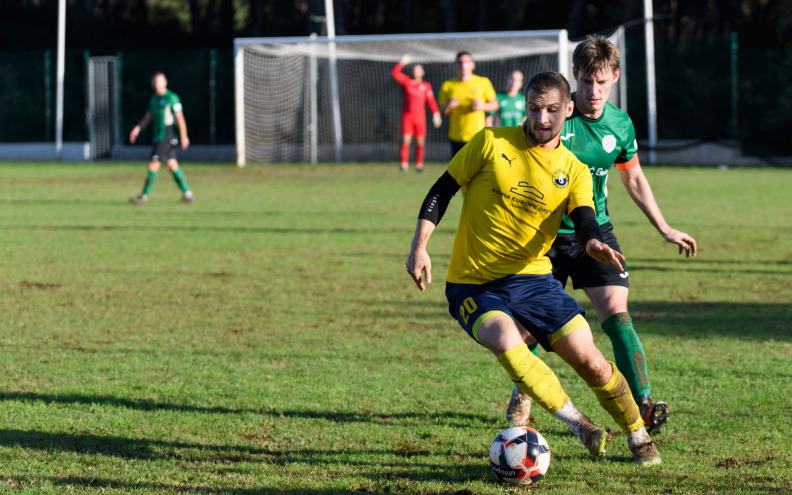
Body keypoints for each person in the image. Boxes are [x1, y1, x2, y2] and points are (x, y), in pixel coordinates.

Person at [406, 71, 661, 466]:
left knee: (592, 362)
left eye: (552, 111)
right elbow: (442, 189)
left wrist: (593, 241)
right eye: (534, 109)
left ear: (568, 110)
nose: (542, 119)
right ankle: (580, 425)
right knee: (508, 343)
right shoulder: (490, 142)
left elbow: (585, 216)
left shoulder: (573, 169)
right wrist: (419, 247)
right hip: (473, 283)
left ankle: (639, 436)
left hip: (535, 280)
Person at [505, 35, 697, 435]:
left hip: (597, 234)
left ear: (615, 78)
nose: (594, 92)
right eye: (587, 82)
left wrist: (664, 227)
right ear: (575, 76)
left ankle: (644, 404)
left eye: (602, 83)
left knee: (617, 314)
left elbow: (634, 178)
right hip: (545, 237)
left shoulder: (620, 124)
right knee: (531, 328)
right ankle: (523, 392)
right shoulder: (555, 118)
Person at [129, 71, 194, 205]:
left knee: (153, 165)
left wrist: (184, 136)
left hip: (167, 136)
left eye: (159, 81)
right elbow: (148, 117)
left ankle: (143, 196)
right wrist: (137, 128)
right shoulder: (154, 99)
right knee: (171, 165)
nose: (156, 84)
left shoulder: (172, 98)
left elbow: (180, 118)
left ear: (165, 82)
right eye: (154, 82)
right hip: (158, 136)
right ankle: (188, 194)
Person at [438, 51, 498, 157]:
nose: (463, 65)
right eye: (460, 62)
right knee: (458, 172)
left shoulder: (482, 82)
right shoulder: (447, 85)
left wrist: (482, 106)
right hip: (456, 137)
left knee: (477, 171)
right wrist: (448, 105)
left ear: (472, 64)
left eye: (466, 61)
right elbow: (440, 113)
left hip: (477, 136)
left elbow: (495, 105)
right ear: (455, 65)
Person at [391, 54, 442, 172]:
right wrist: (402, 62)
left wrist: (436, 114)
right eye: (414, 69)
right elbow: (395, 73)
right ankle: (404, 164)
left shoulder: (426, 86)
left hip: (420, 117)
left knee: (420, 141)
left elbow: (431, 101)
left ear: (422, 72)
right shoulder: (407, 82)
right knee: (406, 140)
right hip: (407, 116)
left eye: (418, 70)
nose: (416, 72)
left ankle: (419, 164)